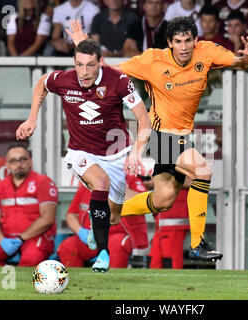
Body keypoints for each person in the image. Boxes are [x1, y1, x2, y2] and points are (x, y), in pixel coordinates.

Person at [66, 16, 248, 261]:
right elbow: (109, 70)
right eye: (178, 41)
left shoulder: (207, 52)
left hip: (183, 136)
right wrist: (83, 44)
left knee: (163, 200)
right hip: (160, 135)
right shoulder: (152, 60)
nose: (183, 47)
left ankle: (107, 216)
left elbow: (243, 65)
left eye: (188, 40)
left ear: (195, 40)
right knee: (202, 170)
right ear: (169, 42)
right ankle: (198, 244)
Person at [15, 36, 151, 272]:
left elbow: (144, 119)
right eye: (79, 64)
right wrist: (32, 117)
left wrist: (137, 152)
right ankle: (102, 253)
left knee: (114, 216)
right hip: (80, 151)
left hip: (116, 153)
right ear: (74, 62)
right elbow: (42, 83)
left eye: (90, 65)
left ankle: (98, 220)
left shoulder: (119, 81)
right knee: (101, 182)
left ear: (101, 62)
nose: (84, 72)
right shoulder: (63, 79)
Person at [0, 143, 58, 266]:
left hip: (35, 238)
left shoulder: (43, 182)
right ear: (7, 165)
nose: (18, 164)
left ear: (30, 161)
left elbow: (47, 219)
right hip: (6, 238)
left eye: (22, 159)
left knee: (31, 260)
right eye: (13, 161)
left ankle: (20, 282)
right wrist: (2, 241)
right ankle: (4, 282)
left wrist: (21, 238)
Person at [58, 181, 149, 268]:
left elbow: (142, 201)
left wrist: (116, 185)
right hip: (90, 237)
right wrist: (80, 231)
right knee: (67, 246)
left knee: (118, 244)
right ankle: (78, 282)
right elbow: (71, 215)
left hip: (114, 236)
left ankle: (114, 280)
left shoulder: (130, 179)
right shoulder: (87, 184)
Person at [148, 180, 190, 269]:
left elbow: (193, 181)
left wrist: (162, 180)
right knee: (154, 262)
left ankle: (175, 282)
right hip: (161, 222)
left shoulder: (188, 166)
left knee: (171, 262)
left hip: (174, 223)